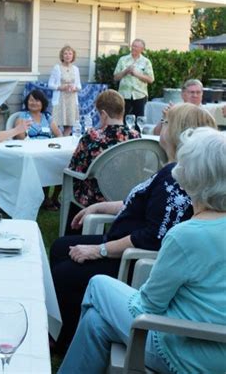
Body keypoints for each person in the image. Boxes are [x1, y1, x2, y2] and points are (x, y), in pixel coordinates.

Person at [49, 103, 217, 354]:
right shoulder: (173, 169)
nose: (161, 126)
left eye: (167, 122)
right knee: (60, 247)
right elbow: (140, 202)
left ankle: (65, 339)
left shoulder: (176, 177)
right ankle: (66, 328)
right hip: (125, 244)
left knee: (64, 272)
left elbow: (153, 237)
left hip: (133, 260)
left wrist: (99, 250)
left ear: (180, 132)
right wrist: (101, 207)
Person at [68, 89, 139, 211]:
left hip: (96, 197)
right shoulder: (135, 136)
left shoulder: (91, 136)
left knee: (75, 181)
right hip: (127, 194)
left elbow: (75, 167)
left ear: (104, 114)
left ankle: (75, 227)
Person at [15, 89, 62, 211]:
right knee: (43, 165)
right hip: (31, 152)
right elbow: (20, 136)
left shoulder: (47, 117)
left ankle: (54, 197)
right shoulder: (22, 117)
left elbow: (59, 135)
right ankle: (44, 199)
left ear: (42, 103)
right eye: (31, 100)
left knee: (63, 164)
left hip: (48, 150)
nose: (33, 102)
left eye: (36, 100)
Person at [113, 39, 154, 118]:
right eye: (133, 46)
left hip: (140, 95)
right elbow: (115, 77)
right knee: (122, 119)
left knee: (139, 120)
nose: (133, 48)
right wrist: (125, 71)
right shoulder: (123, 60)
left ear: (142, 49)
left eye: (136, 46)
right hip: (124, 95)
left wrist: (137, 74)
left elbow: (151, 79)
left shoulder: (146, 62)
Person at [48, 45, 81, 136]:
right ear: (62, 56)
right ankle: (59, 138)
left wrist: (75, 88)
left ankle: (65, 139)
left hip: (71, 99)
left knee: (70, 123)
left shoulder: (76, 69)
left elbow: (79, 86)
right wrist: (60, 87)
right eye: (65, 53)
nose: (68, 55)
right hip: (60, 99)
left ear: (73, 56)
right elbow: (50, 84)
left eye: (70, 53)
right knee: (56, 122)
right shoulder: (57, 68)